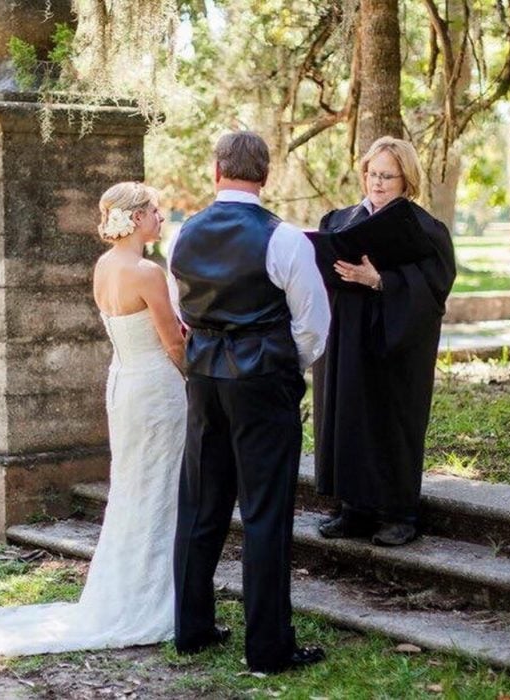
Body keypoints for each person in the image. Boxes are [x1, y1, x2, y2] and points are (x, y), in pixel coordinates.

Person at [0, 182, 187, 656]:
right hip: (156, 389)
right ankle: (150, 598)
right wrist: (197, 384)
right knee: (158, 487)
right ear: (136, 217)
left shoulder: (105, 266)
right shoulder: (148, 272)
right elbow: (175, 344)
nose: (161, 219)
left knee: (132, 487)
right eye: (156, 212)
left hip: (123, 382)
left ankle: (129, 588)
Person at [171, 131, 330, 674]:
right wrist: (288, 367)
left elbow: (183, 312)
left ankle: (191, 629)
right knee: (264, 512)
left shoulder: (181, 233)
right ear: (265, 176)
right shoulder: (284, 239)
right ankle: (267, 648)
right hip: (263, 382)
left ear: (217, 171)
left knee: (200, 502)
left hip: (204, 380)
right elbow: (313, 325)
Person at [314, 136, 456, 547]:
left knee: (392, 420)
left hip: (396, 344)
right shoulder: (339, 221)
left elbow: (435, 287)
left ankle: (399, 514)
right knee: (346, 415)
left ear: (406, 179)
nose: (377, 183)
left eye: (387, 176)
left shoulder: (425, 230)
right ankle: (352, 509)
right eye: (372, 174)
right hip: (346, 339)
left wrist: (380, 281)